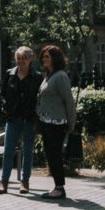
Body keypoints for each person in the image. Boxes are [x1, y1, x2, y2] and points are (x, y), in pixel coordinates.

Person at [0, 46, 41, 195]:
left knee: (28, 152)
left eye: (24, 59)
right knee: (8, 151)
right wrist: (4, 104)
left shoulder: (37, 77)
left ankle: (25, 182)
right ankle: (4, 182)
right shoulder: (9, 74)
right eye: (18, 59)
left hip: (29, 119)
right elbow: (2, 94)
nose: (21, 61)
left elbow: (40, 97)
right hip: (13, 118)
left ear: (30, 60)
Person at [36, 44, 77, 200]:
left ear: (55, 58)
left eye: (48, 56)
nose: (44, 59)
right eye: (44, 56)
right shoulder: (49, 75)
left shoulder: (60, 76)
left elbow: (69, 101)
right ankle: (57, 186)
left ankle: (59, 188)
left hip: (57, 123)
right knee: (51, 155)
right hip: (47, 122)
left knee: (54, 156)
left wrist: (71, 124)